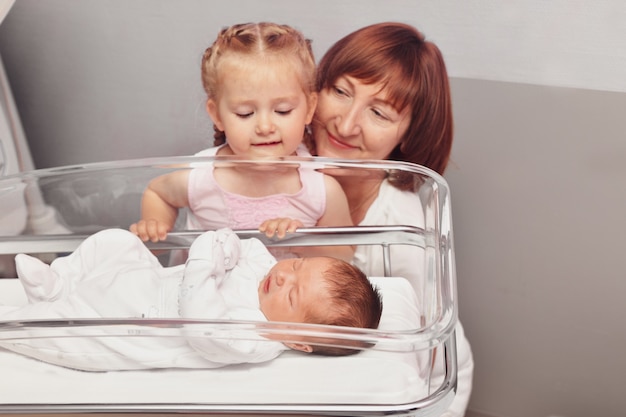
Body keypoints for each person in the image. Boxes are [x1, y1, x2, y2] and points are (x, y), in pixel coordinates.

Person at [306, 22, 473, 417]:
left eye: (379, 113)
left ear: (408, 134)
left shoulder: (402, 229)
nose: (346, 125)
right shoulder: (272, 164)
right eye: (341, 92)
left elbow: (412, 360)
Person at [0, 228, 382, 371]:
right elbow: (243, 244)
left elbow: (202, 327)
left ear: (296, 338)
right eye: (298, 267)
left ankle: (22, 318)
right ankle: (59, 284)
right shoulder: (267, 269)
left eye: (292, 293)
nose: (282, 275)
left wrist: (203, 262)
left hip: (124, 325)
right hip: (144, 277)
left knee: (52, 332)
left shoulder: (256, 338)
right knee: (116, 241)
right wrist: (225, 246)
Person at [129, 22, 353, 261]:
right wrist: (155, 225)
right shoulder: (199, 177)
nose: (265, 127)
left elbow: (345, 255)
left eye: (283, 111)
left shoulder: (322, 190)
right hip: (206, 296)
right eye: (245, 113)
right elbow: (158, 192)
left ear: (309, 108)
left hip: (281, 297)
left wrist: (303, 241)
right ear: (217, 115)